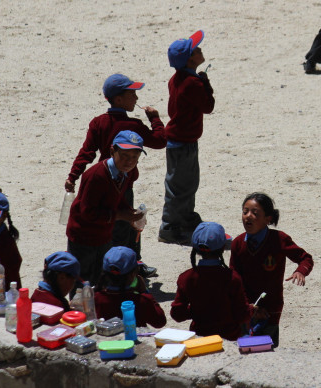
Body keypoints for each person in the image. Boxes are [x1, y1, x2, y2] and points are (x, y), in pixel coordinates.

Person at [65, 73, 166, 278]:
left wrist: (73, 176)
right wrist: (154, 119)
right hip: (119, 186)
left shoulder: (98, 123)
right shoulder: (134, 127)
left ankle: (127, 264)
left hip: (114, 180)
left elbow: (87, 151)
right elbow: (160, 140)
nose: (136, 98)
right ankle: (127, 266)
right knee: (124, 228)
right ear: (119, 99)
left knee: (123, 225)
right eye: (132, 94)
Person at [230, 193, 314, 347]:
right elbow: (234, 279)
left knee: (266, 348)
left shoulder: (279, 240)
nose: (248, 216)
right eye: (245, 211)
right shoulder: (238, 243)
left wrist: (301, 271)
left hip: (270, 309)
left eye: (255, 213)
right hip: (245, 307)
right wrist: (247, 306)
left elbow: (305, 258)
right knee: (244, 348)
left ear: (268, 219)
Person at [66, 130, 146, 286]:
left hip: (104, 234)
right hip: (84, 237)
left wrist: (131, 213)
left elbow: (118, 198)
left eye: (134, 157)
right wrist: (121, 216)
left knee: (102, 279)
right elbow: (87, 212)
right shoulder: (96, 175)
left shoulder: (125, 172)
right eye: (124, 155)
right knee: (83, 284)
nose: (129, 161)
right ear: (112, 151)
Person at [159, 30, 215, 244]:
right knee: (179, 187)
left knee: (186, 184)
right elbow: (208, 106)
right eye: (196, 49)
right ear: (190, 59)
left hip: (180, 140)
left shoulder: (177, 78)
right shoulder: (193, 83)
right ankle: (169, 228)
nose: (200, 49)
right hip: (183, 143)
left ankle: (185, 218)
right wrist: (206, 83)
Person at [171, 222, 251, 340]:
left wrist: (197, 310)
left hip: (200, 338)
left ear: (195, 249)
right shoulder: (232, 278)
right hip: (229, 338)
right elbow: (242, 315)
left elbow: (177, 314)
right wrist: (251, 309)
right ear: (223, 248)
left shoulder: (186, 278)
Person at [94, 246, 166, 328]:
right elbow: (160, 322)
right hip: (132, 340)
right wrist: (145, 292)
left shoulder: (95, 298)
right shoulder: (140, 300)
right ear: (133, 274)